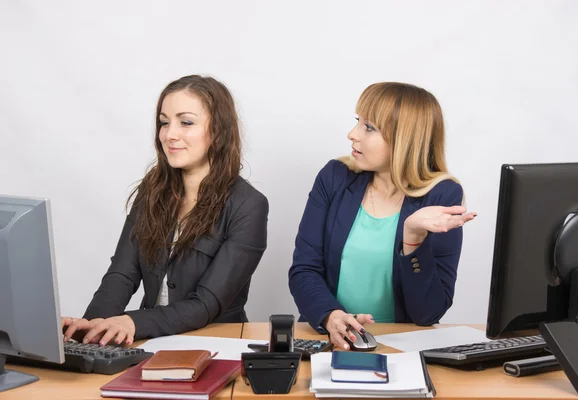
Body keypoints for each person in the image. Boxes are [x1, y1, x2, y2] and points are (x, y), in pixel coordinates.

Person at [62, 75, 268, 346]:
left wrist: (132, 322)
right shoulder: (152, 190)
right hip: (152, 342)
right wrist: (93, 326)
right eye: (164, 122)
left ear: (218, 130)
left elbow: (206, 303)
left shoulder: (249, 205)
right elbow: (122, 273)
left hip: (216, 344)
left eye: (186, 122)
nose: (169, 134)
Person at [288, 82, 476, 349]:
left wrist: (413, 239)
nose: (352, 134)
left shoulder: (442, 196)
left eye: (369, 127)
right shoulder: (334, 177)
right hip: (328, 337)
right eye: (357, 121)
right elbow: (304, 270)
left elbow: (429, 313)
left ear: (405, 139)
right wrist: (331, 317)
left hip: (401, 345)